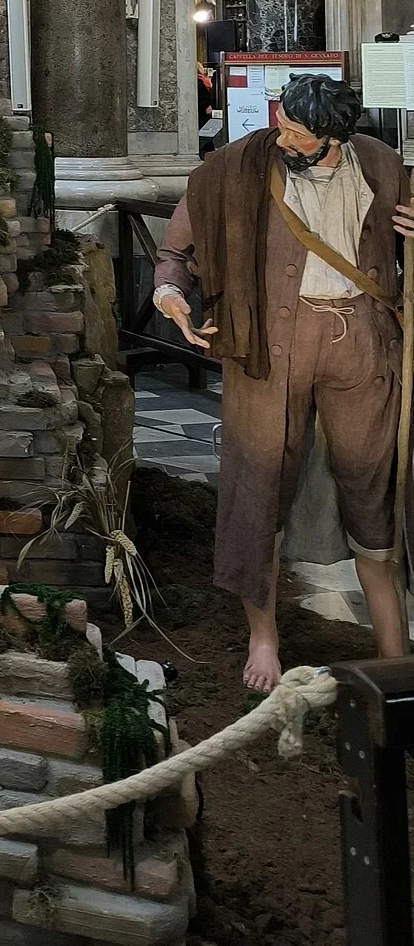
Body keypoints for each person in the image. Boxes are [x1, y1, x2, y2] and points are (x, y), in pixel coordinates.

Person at [153, 74, 414, 691]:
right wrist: (169, 292)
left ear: (334, 137)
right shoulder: (236, 168)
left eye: (297, 130)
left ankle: (392, 651)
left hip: (364, 346)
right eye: (282, 121)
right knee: (259, 484)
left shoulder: (381, 163)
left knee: (373, 487)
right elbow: (177, 249)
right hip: (268, 350)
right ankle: (263, 638)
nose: (282, 134)